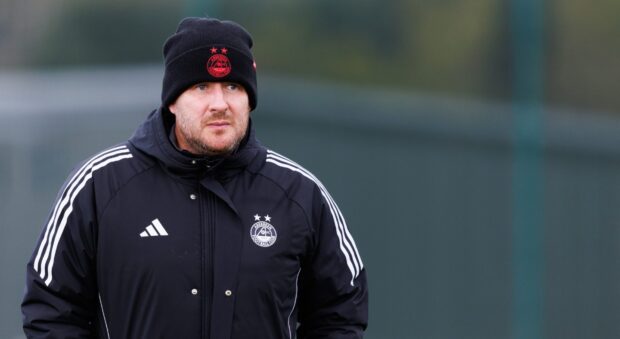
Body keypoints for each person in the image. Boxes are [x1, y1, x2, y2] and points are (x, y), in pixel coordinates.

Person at [21, 17, 368, 338]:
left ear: (249, 98)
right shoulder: (98, 186)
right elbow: (50, 307)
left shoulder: (300, 194)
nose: (220, 103)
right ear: (172, 101)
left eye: (232, 86)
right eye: (202, 87)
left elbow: (342, 309)